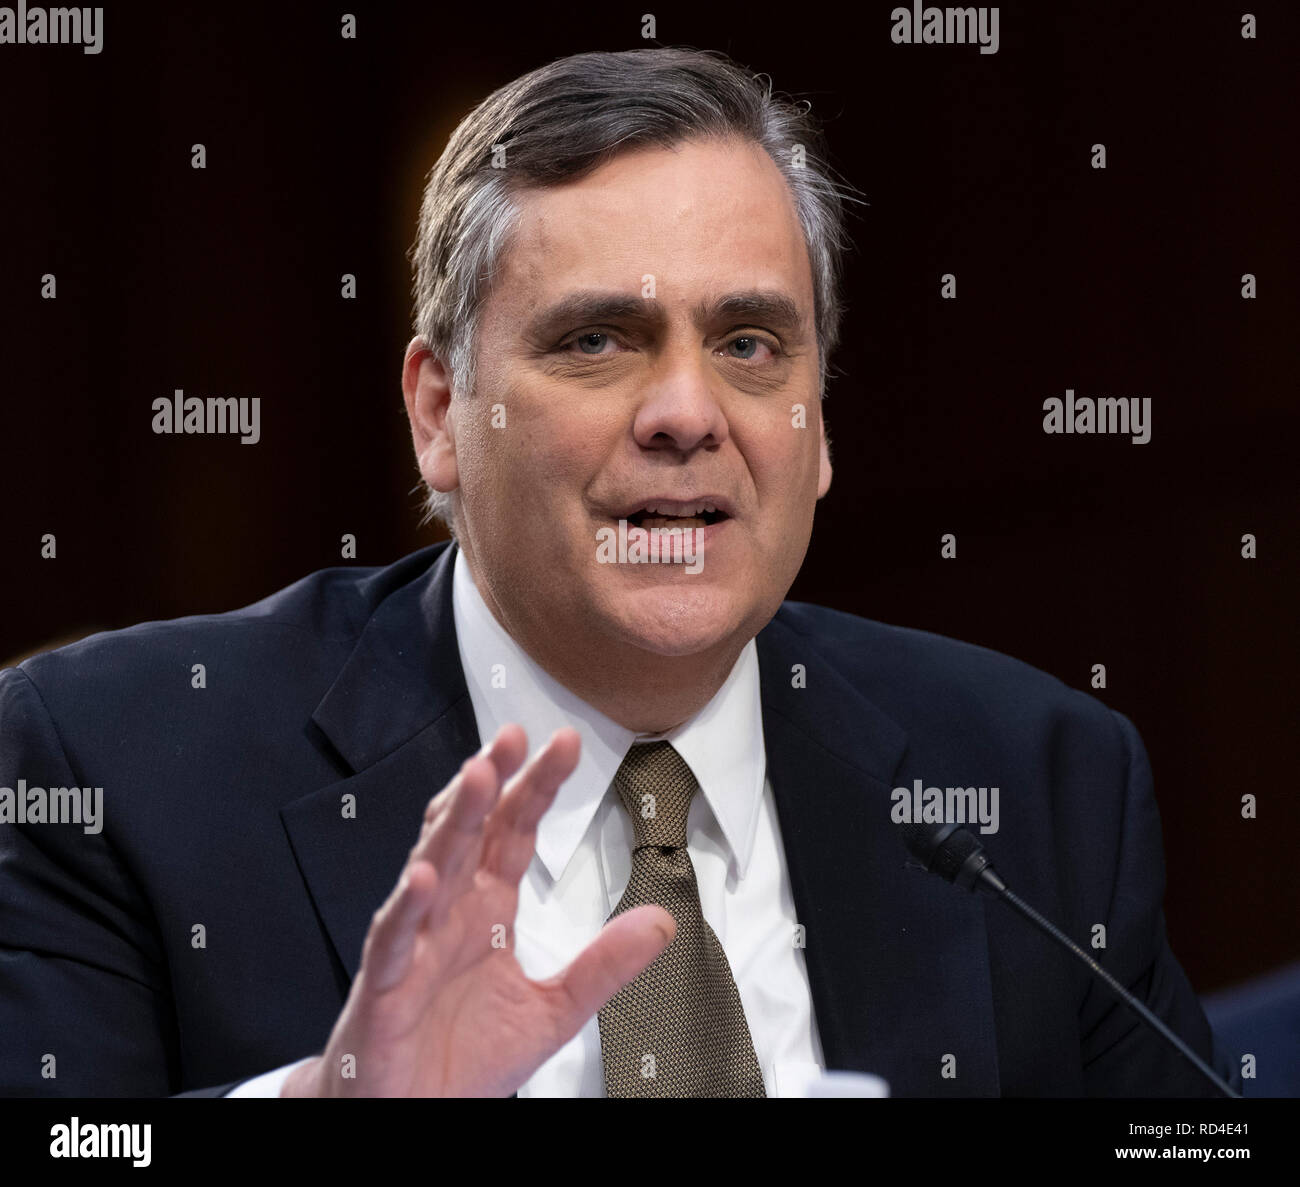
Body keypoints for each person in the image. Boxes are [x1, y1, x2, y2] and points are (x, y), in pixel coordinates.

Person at [0, 46, 1233, 1098]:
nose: (686, 413)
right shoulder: (112, 763)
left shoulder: (1034, 782)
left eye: (748, 343)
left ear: (817, 421)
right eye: (597, 340)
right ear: (439, 413)